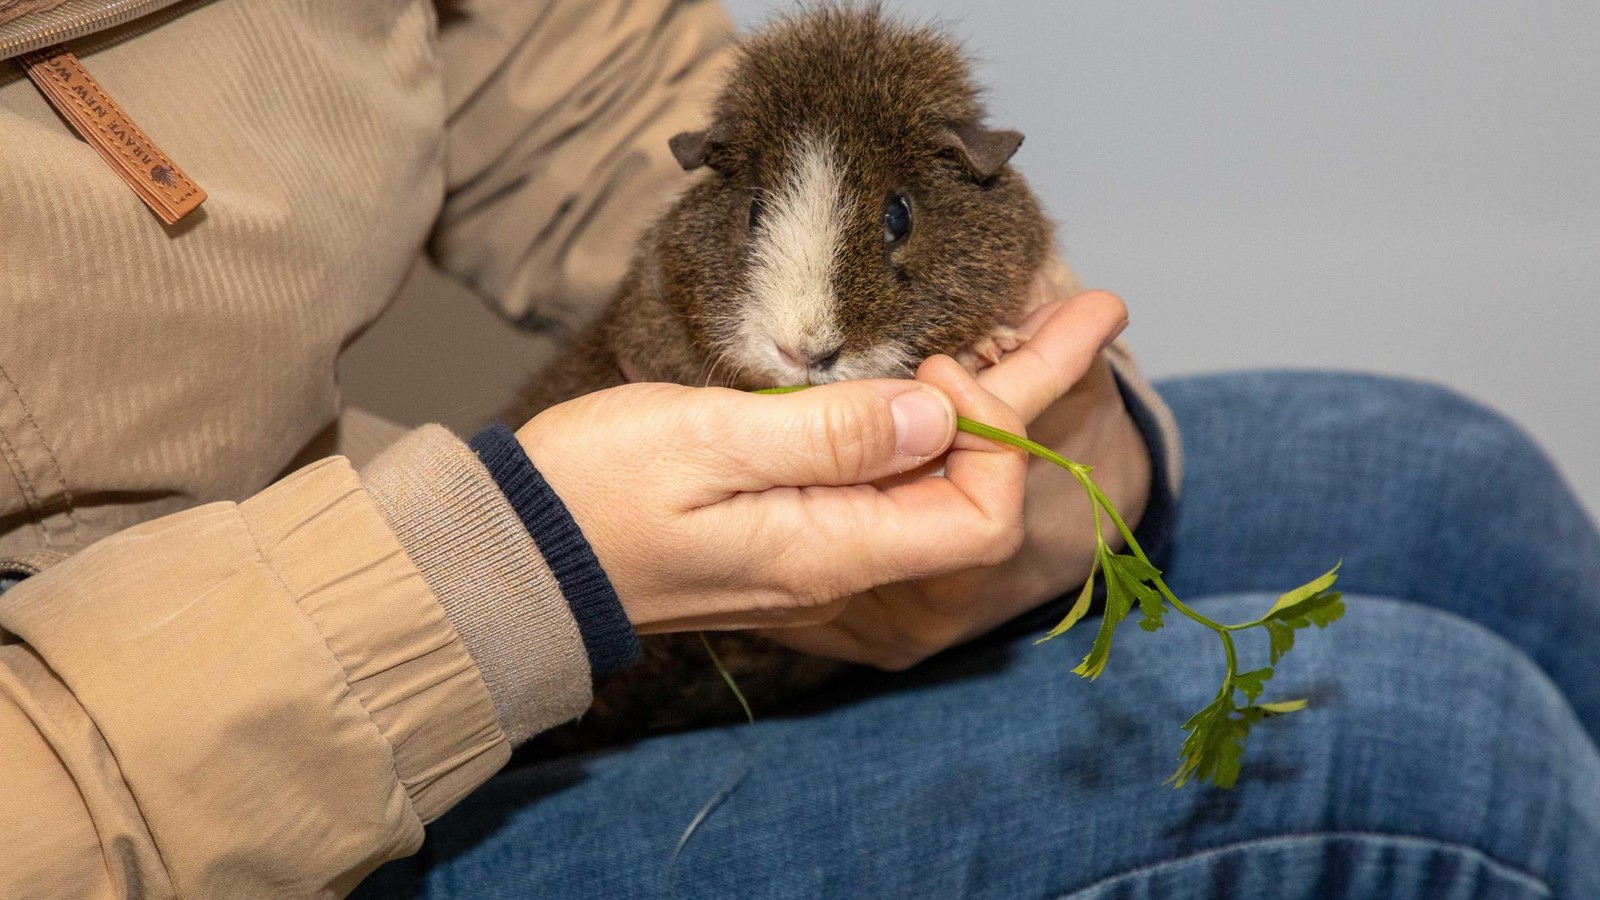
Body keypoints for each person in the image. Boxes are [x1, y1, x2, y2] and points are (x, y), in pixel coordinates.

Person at [1, 2, 1595, 899]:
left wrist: (1075, 430)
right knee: (1436, 755)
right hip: (203, 792)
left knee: (1456, 485)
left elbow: (581, 82)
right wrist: (506, 583)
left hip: (347, 540)